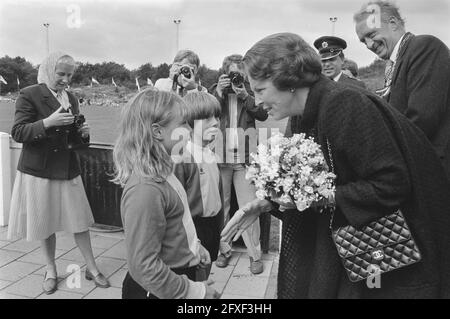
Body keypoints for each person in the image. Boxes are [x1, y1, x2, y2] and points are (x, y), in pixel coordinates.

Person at [221, 32, 450, 298]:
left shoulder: (345, 103)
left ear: (290, 79)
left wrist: (320, 197)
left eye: (260, 90)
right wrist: (268, 203)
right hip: (346, 252)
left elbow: (392, 184)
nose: (257, 102)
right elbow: (312, 185)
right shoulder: (301, 114)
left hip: (380, 258)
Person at [7, 52, 109, 294]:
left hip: (67, 168)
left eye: (70, 75)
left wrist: (82, 133)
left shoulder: (71, 98)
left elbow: (74, 139)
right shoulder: (29, 94)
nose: (65, 79)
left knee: (80, 221)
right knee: (45, 223)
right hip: (39, 170)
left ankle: (92, 267)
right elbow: (18, 132)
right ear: (49, 70)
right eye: (61, 73)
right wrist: (48, 122)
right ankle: (50, 270)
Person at [113, 88, 219, 299]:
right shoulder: (146, 190)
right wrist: (193, 291)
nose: (189, 130)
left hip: (173, 277)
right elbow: (144, 266)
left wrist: (195, 248)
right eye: (183, 124)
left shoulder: (165, 173)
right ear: (157, 131)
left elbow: (176, 225)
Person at [354, 1, 450, 180]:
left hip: (436, 176)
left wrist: (378, 159)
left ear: (393, 23)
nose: (368, 44)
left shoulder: (424, 47)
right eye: (362, 41)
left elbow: (422, 120)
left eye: (371, 34)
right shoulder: (394, 64)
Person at [209, 54, 268, 274]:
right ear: (224, 74)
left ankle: (254, 255)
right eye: (232, 73)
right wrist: (219, 93)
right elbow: (207, 112)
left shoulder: (251, 90)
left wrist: (246, 96)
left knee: (250, 208)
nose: (236, 77)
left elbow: (263, 114)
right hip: (221, 157)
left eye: (240, 73)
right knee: (220, 208)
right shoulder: (216, 90)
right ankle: (223, 250)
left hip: (245, 159)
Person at [174, 91, 224, 280]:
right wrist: (195, 241)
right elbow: (177, 207)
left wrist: (221, 237)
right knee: (192, 281)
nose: (215, 122)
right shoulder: (183, 158)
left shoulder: (211, 154)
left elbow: (217, 200)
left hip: (212, 228)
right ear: (189, 123)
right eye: (207, 118)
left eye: (217, 116)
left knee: (203, 278)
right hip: (193, 230)